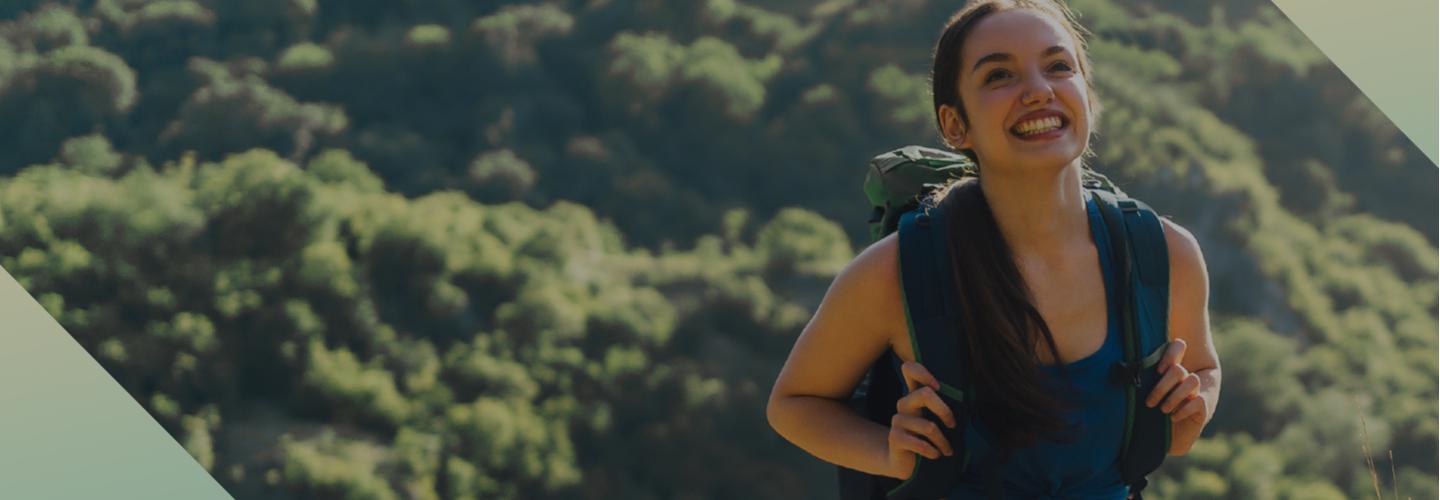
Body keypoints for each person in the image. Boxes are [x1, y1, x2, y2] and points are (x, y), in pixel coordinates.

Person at [765, 1, 1221, 498]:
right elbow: (794, 403)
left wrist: (1192, 406)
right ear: (954, 125)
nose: (1038, 91)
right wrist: (889, 455)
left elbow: (1204, 370)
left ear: (1088, 98)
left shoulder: (1164, 254)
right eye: (999, 75)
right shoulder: (899, 271)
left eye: (1058, 66)